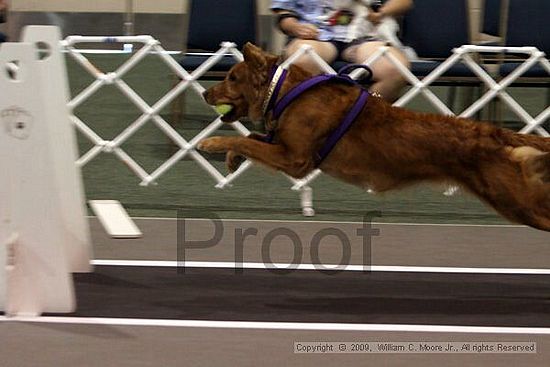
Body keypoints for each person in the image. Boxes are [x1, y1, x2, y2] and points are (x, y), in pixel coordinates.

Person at [271, 0, 413, 102]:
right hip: (316, 34)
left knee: (395, 68)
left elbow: (404, 2)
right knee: (302, 60)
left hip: (366, 33)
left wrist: (381, 13)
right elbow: (284, 15)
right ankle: (309, 125)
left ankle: (362, 118)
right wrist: (296, 27)